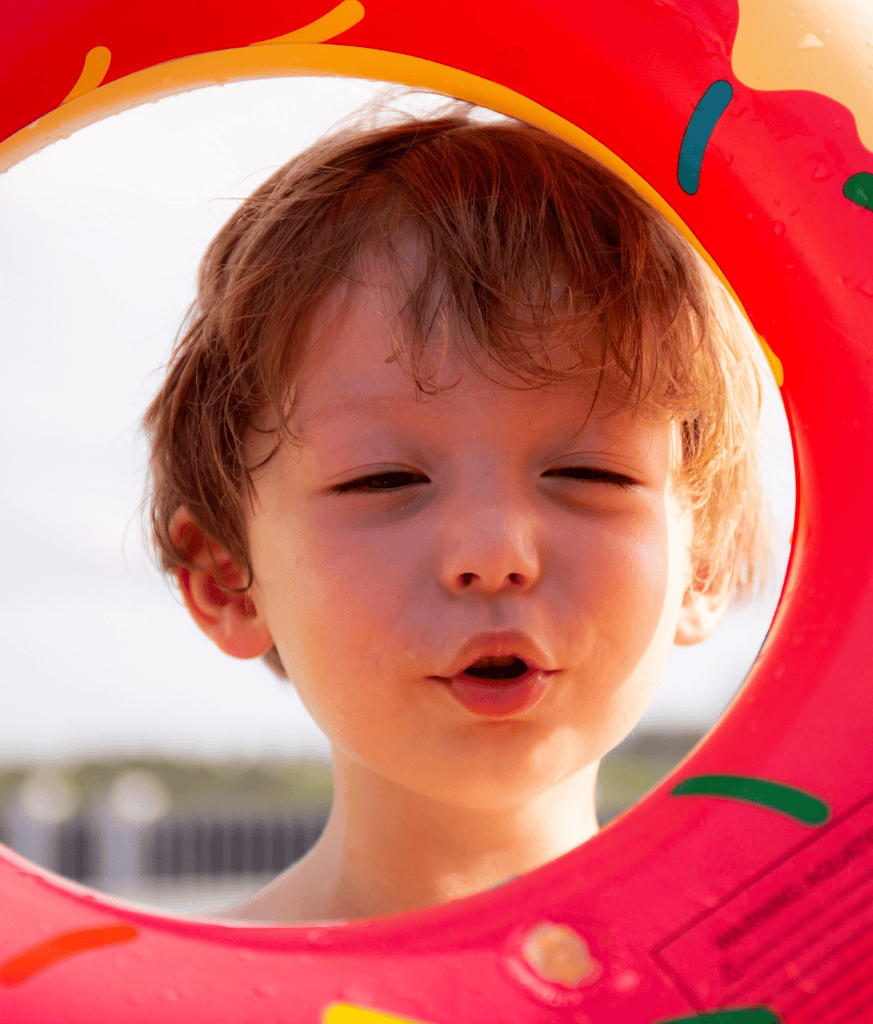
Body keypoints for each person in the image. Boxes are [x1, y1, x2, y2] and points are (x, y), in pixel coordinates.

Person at [138, 98, 774, 924]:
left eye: (589, 472)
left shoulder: (813, 987)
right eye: (383, 481)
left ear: (706, 558)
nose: (494, 550)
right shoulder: (168, 1006)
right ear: (228, 577)